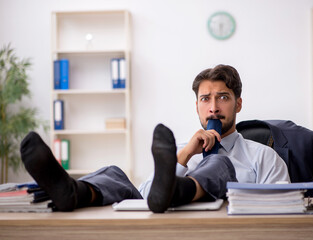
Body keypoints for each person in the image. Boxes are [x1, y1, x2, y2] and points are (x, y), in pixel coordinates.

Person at [20, 64, 290, 213]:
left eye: (223, 97)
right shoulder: (180, 153)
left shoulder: (264, 156)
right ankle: (74, 192)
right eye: (205, 99)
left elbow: (285, 209)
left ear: (238, 104)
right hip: (166, 229)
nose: (213, 107)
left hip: (222, 231)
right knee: (115, 174)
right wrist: (183, 157)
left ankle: (178, 190)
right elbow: (147, 198)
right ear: (196, 106)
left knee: (221, 165)